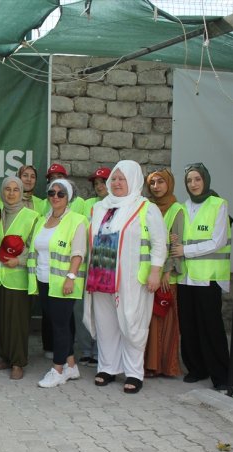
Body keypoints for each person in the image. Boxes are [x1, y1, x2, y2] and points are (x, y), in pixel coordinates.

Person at [84, 160, 167, 394]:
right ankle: (108, 367)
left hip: (132, 278)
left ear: (133, 180)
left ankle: (134, 373)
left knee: (132, 324)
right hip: (101, 275)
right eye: (115, 179)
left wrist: (155, 272)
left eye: (122, 179)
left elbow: (159, 243)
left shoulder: (145, 207)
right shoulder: (100, 207)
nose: (117, 183)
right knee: (106, 323)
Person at [170, 163, 231, 391]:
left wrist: (185, 250)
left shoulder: (219, 204)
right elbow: (177, 236)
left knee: (211, 327)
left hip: (208, 278)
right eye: (189, 181)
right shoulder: (183, 207)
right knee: (189, 325)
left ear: (205, 180)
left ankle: (221, 374)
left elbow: (218, 240)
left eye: (197, 179)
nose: (193, 184)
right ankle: (197, 368)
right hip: (186, 277)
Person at [28, 179, 87, 389]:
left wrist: (70, 278)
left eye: (60, 194)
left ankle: (58, 369)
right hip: (44, 281)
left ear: (68, 197)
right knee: (57, 324)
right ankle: (71, 365)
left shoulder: (77, 220)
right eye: (51, 192)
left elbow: (78, 253)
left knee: (60, 327)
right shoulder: (43, 220)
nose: (55, 196)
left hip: (63, 283)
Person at [0, 176, 40, 380]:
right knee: (1, 320)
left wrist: (18, 261)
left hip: (18, 278)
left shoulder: (32, 216)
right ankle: (5, 356)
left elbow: (37, 248)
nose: (11, 194)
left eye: (15, 190)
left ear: (22, 192)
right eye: (7, 189)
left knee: (18, 322)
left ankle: (18, 362)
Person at [144, 168, 183, 378]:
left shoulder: (177, 209)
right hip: (148, 273)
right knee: (149, 322)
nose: (156, 186)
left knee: (164, 322)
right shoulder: (147, 207)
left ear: (169, 184)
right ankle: (149, 365)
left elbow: (176, 243)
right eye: (152, 183)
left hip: (167, 277)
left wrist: (167, 272)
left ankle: (164, 366)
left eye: (160, 182)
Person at [74, 166, 111, 368]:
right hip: (86, 265)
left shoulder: (118, 205)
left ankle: (100, 350)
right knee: (82, 309)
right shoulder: (88, 205)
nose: (99, 186)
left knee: (102, 310)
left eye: (103, 182)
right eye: (96, 183)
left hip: (106, 266)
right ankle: (86, 349)